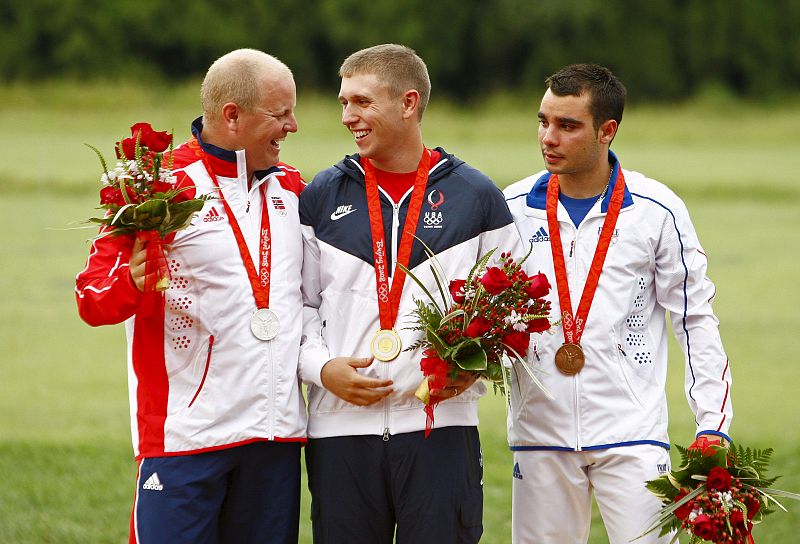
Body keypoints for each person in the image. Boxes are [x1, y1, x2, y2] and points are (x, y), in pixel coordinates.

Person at [75, 49, 306, 544]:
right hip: (185, 442)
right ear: (232, 115)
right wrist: (131, 282)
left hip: (276, 439)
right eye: (280, 113)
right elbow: (92, 298)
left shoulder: (293, 190)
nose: (293, 126)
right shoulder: (158, 189)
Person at [298, 43, 524, 543]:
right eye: (342, 103)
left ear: (408, 102)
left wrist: (477, 365)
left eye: (361, 102)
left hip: (441, 428)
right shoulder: (322, 194)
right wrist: (320, 369)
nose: (348, 116)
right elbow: (300, 306)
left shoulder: (476, 195)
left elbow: (516, 309)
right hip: (340, 430)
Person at [503, 63, 733, 543]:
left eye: (568, 126)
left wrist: (712, 422)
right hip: (540, 435)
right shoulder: (513, 207)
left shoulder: (656, 210)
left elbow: (695, 320)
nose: (549, 137)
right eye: (543, 121)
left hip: (632, 433)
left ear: (607, 130)